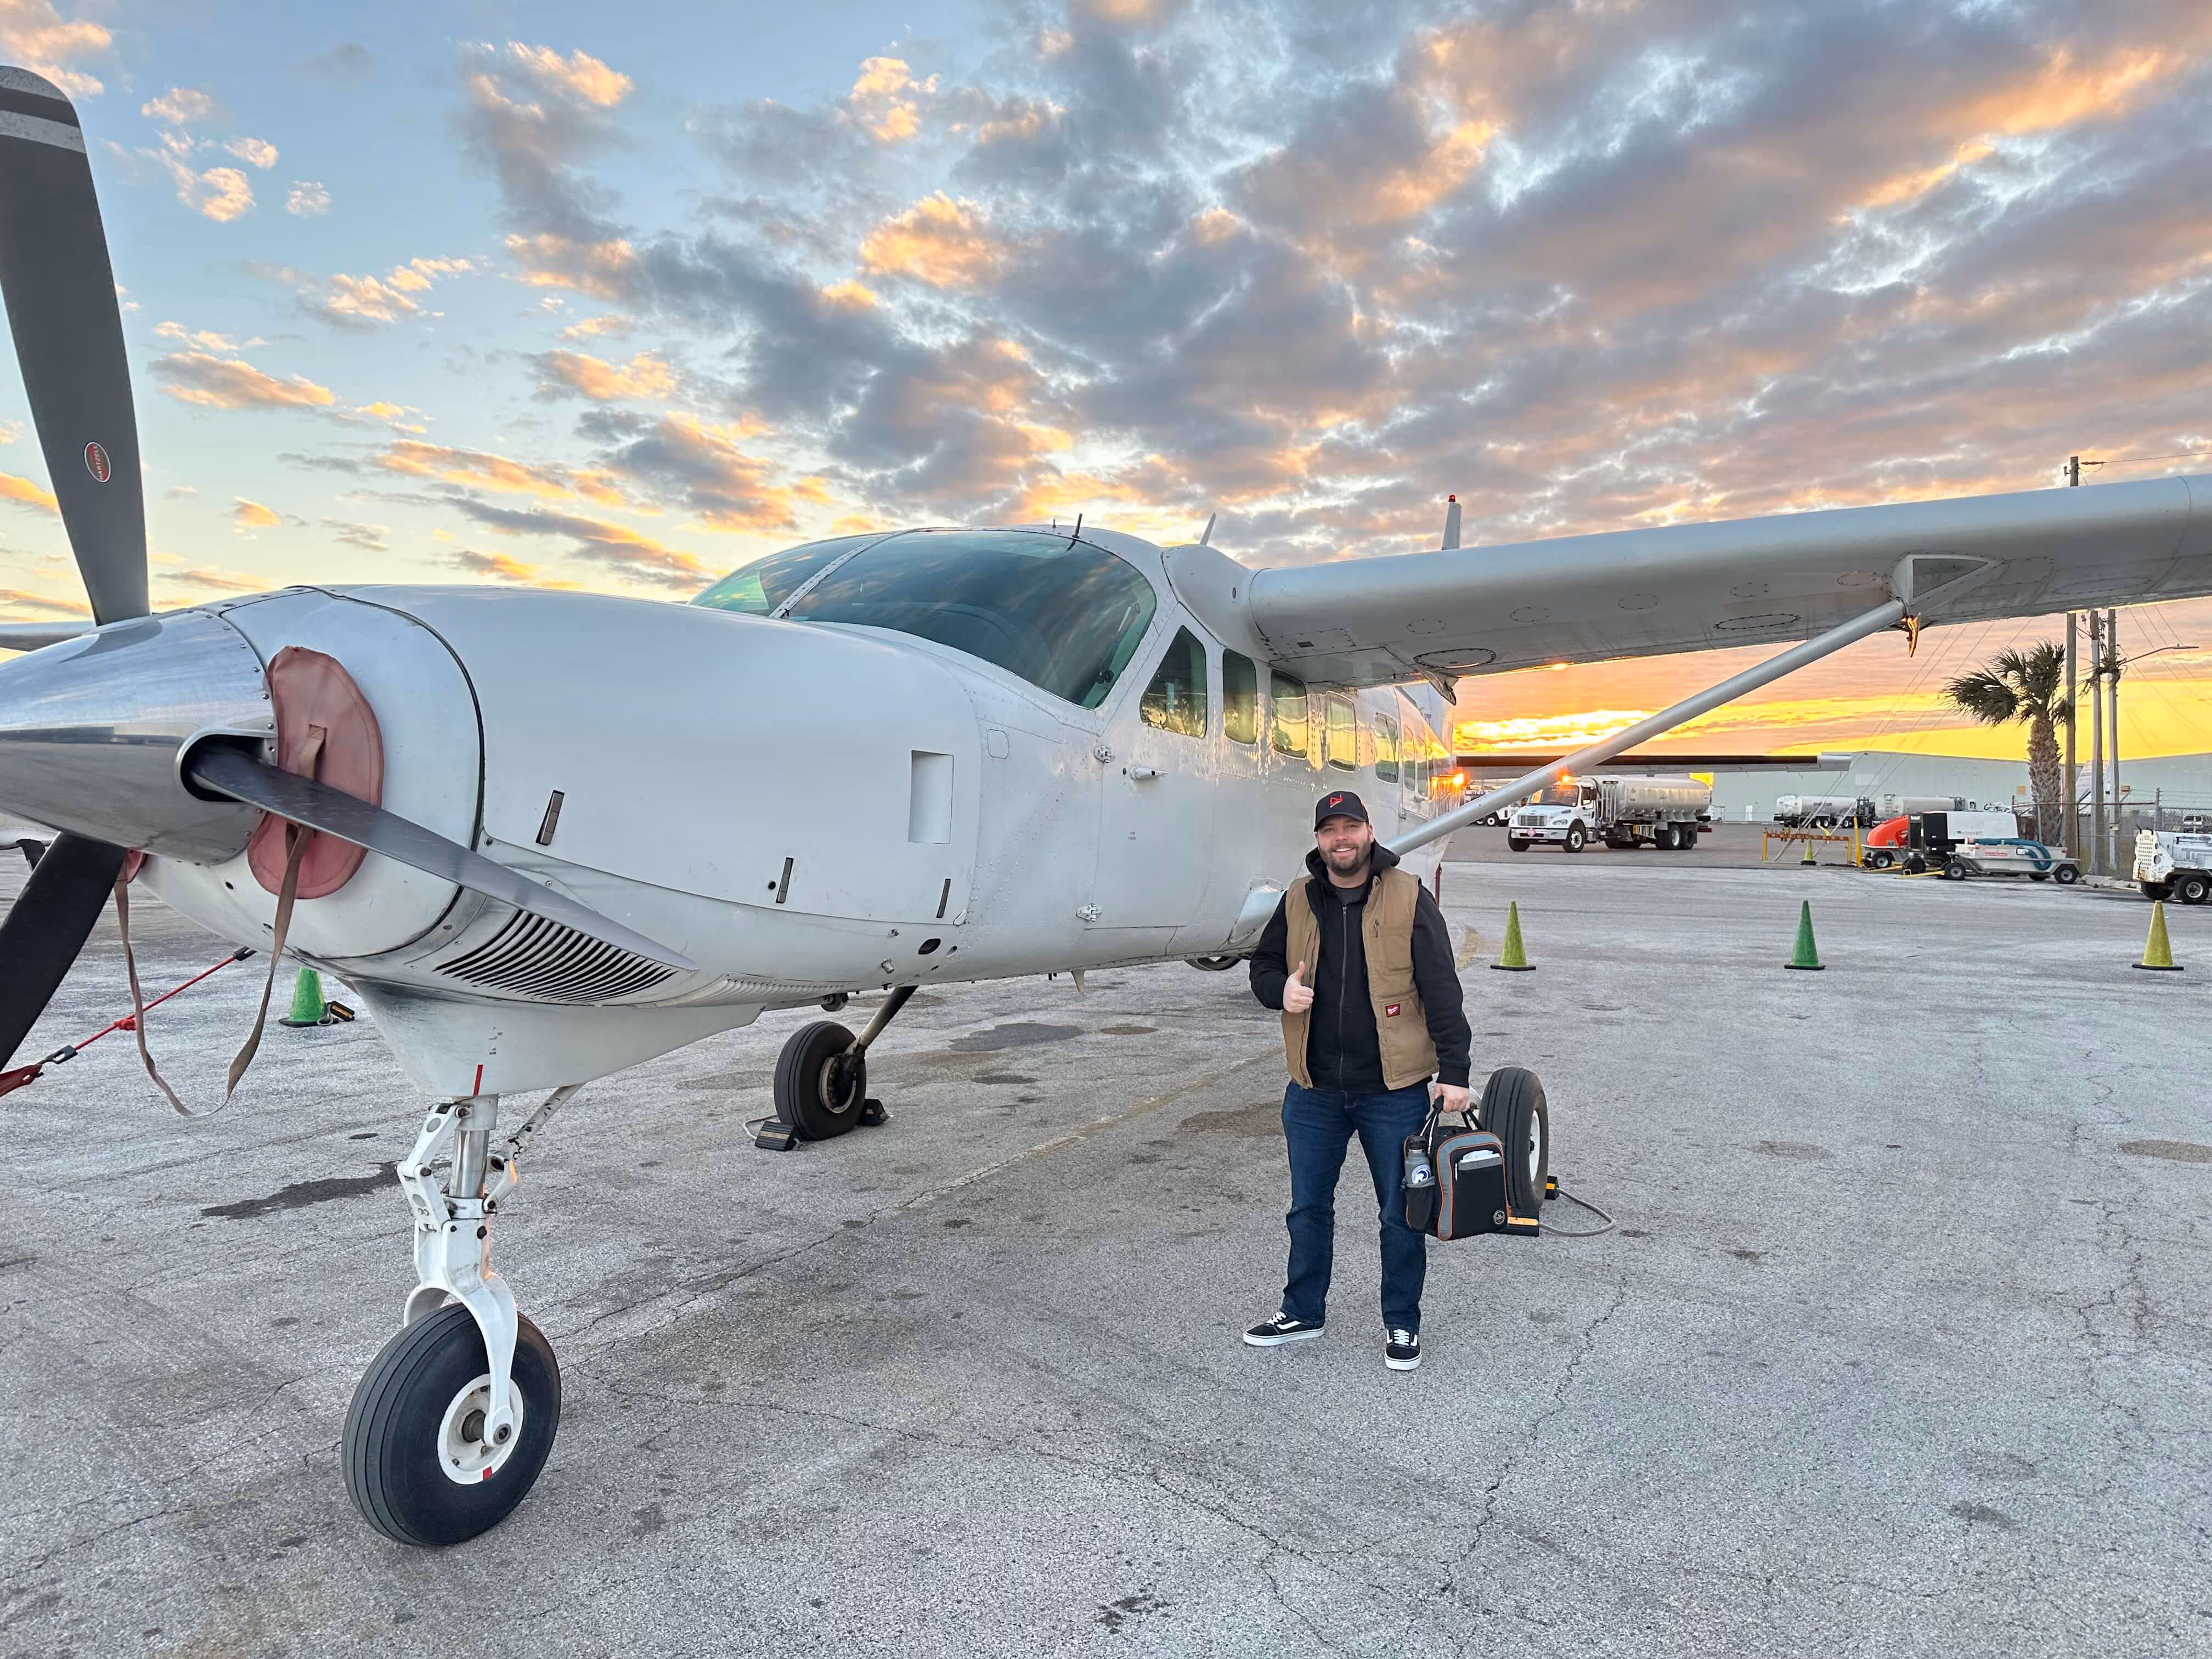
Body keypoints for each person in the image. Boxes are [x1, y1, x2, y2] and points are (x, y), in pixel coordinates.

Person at [1244, 789, 1471, 1370]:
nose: (1340, 839)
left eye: (1350, 827)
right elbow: (1263, 967)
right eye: (1329, 830)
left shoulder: (1407, 895)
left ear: (1369, 832)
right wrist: (1281, 992)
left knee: (1400, 1212)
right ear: (1319, 840)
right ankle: (1302, 1311)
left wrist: (1456, 1073)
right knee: (1307, 1208)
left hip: (1391, 1092)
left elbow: (1442, 989)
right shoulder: (1298, 898)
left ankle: (1401, 1322)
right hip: (1314, 1090)